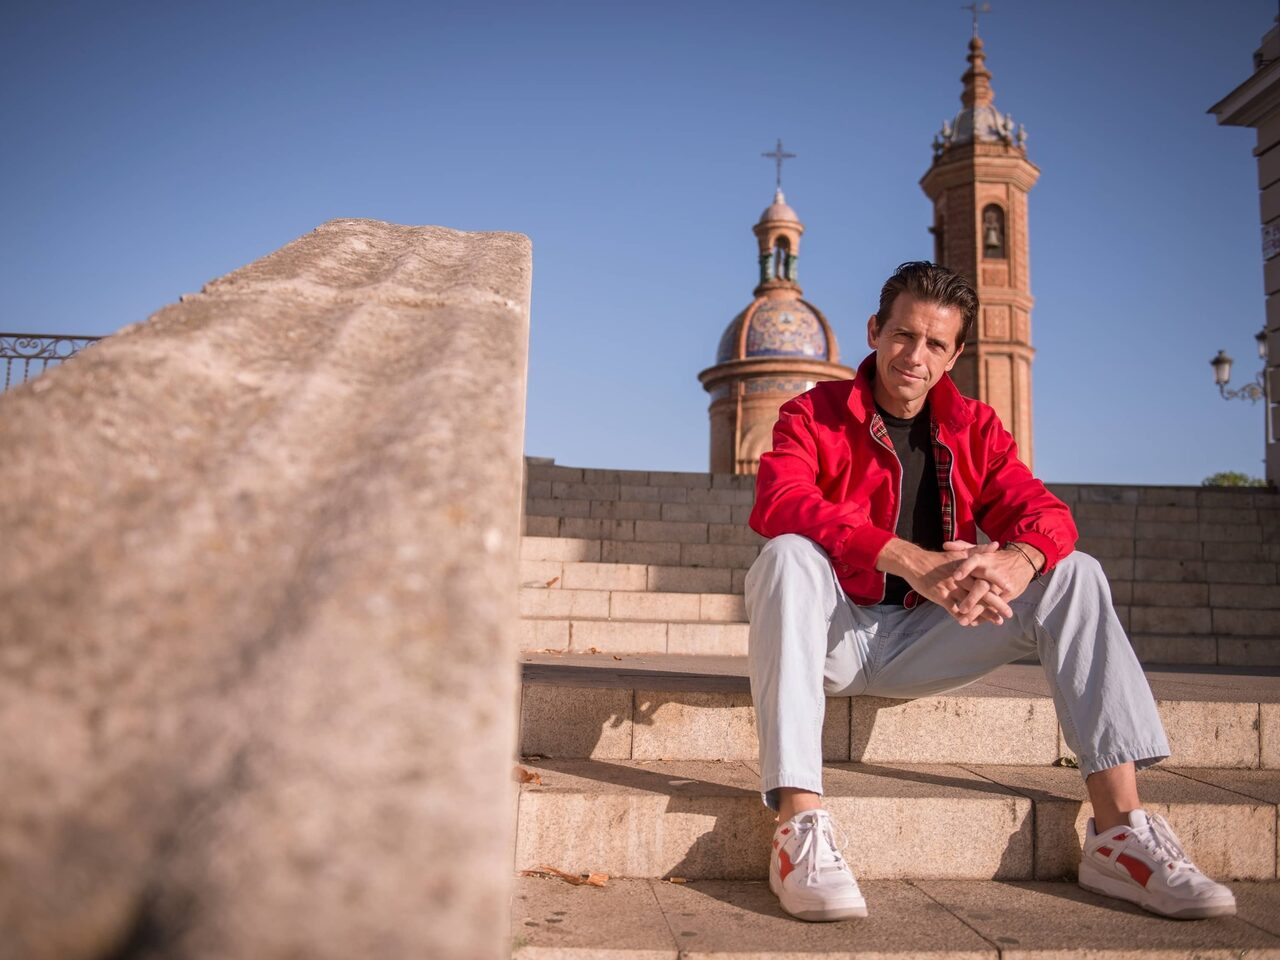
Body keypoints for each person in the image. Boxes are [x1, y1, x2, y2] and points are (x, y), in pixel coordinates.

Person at [744, 261, 1236, 922]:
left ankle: (1119, 834)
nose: (914, 356)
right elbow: (779, 500)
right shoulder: (812, 413)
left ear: (955, 356)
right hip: (833, 634)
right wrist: (908, 558)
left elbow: (1048, 516)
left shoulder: (975, 426)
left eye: (935, 343)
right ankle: (800, 827)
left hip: (928, 639)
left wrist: (1015, 561)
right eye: (902, 335)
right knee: (786, 556)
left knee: (1074, 571)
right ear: (874, 331)